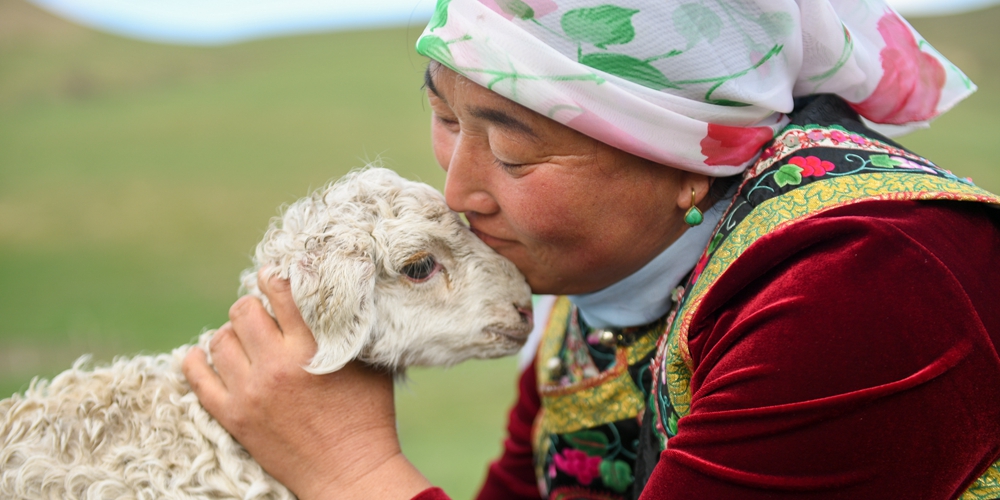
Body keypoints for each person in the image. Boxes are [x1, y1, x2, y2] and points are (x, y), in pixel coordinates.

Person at [182, 0, 1000, 498]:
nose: (460, 191)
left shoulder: (866, 285)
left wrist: (354, 474)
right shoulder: (603, 297)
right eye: (446, 117)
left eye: (512, 150)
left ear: (690, 157)